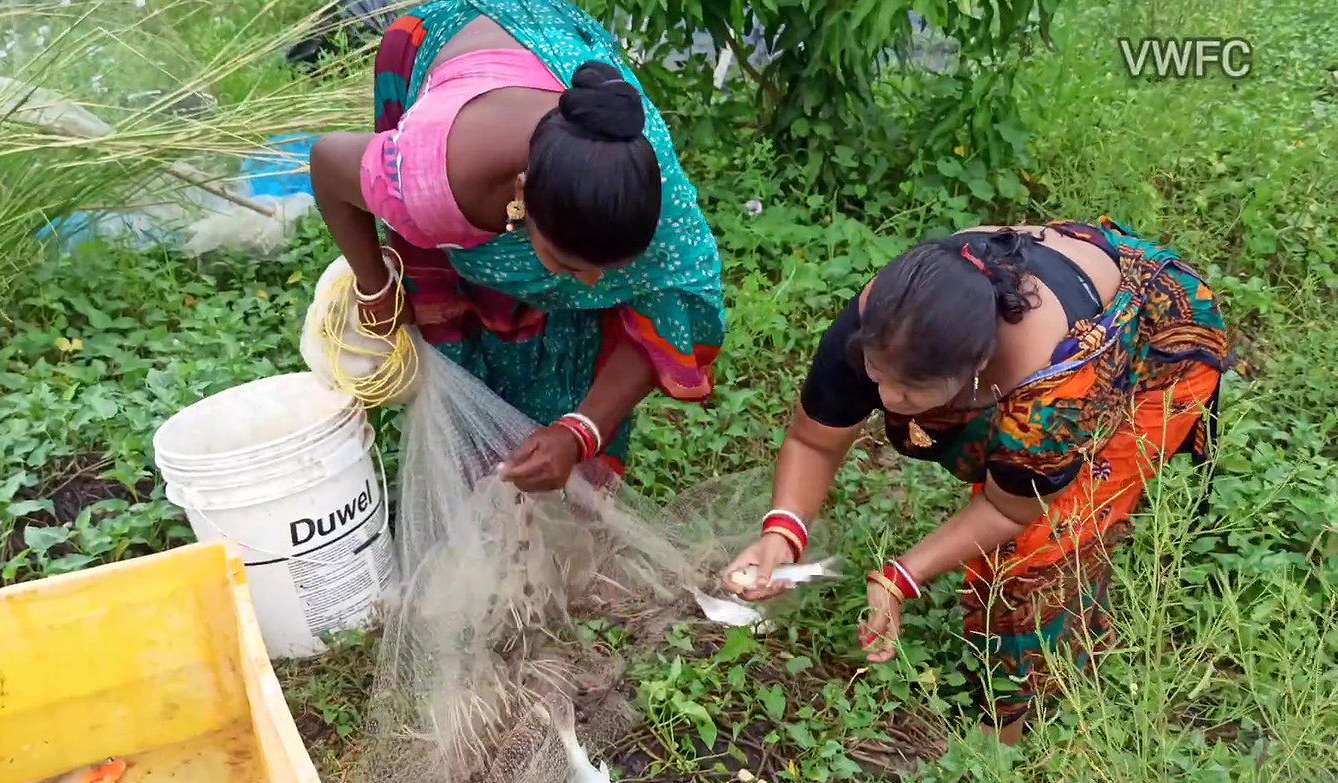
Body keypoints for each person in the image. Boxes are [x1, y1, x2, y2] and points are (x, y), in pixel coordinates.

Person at [720, 219, 1230, 744]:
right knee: (987, 470)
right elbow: (814, 440)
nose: (887, 399)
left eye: (912, 392)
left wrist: (899, 578)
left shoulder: (1053, 390)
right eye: (876, 376)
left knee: (1038, 550)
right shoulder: (888, 316)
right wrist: (781, 534)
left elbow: (1011, 510)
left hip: (1157, 343)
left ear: (979, 368)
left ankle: (1005, 729)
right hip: (1061, 300)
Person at [310, 0, 723, 491]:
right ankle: (483, 468)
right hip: (444, 43)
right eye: (567, 264)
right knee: (472, 324)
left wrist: (581, 429)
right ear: (521, 196)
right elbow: (327, 162)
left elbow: (675, 303)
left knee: (582, 336)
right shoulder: (427, 180)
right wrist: (376, 289)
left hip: (547, 45)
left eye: (614, 268)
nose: (597, 286)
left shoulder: (644, 182)